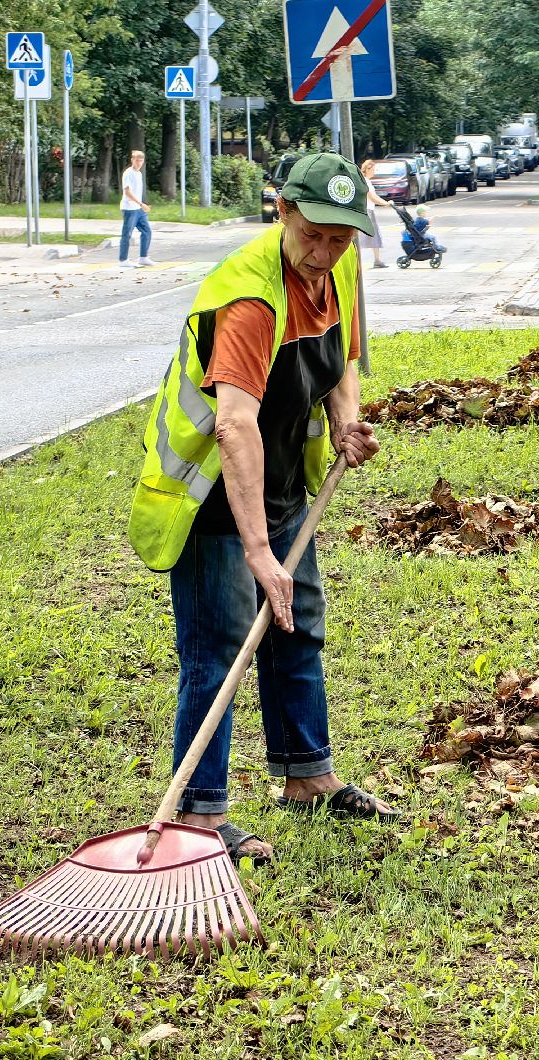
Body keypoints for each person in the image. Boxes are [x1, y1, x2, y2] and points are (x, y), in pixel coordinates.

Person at [127, 152, 397, 865]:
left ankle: (307, 774)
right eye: (314, 233)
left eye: (342, 237)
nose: (327, 250)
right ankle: (200, 815)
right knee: (217, 653)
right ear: (283, 212)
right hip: (214, 497)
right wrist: (258, 553)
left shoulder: (337, 264)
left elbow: (343, 359)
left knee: (297, 628)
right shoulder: (248, 299)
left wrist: (345, 422)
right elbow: (233, 425)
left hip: (281, 486)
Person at [118, 150, 154, 268]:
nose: (138, 163)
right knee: (127, 233)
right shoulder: (128, 173)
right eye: (136, 160)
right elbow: (127, 192)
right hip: (129, 208)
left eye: (140, 160)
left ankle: (143, 257)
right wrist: (141, 203)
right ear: (132, 160)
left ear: (143, 161)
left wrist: (140, 205)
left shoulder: (139, 174)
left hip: (138, 208)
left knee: (147, 230)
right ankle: (123, 260)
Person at [359, 159, 393, 269]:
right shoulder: (365, 181)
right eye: (373, 169)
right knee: (366, 235)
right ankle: (374, 260)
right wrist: (386, 203)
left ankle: (377, 259)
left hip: (368, 210)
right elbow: (373, 197)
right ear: (367, 169)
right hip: (367, 211)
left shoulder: (365, 180)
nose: (374, 172)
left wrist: (385, 203)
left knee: (373, 235)